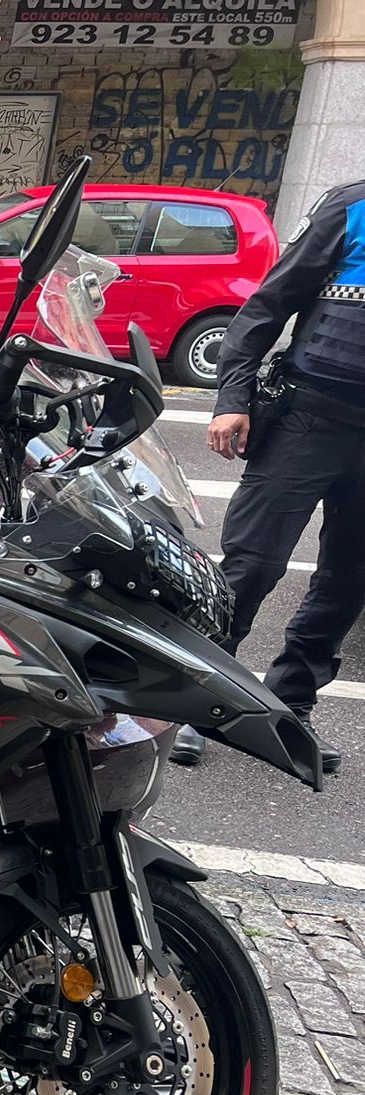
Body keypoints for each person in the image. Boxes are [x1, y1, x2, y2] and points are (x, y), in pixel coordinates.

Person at [173, 179, 365, 774]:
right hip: (308, 418)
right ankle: (192, 703)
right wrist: (232, 397)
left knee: (348, 580)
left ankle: (292, 705)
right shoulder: (351, 206)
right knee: (251, 565)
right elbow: (267, 305)